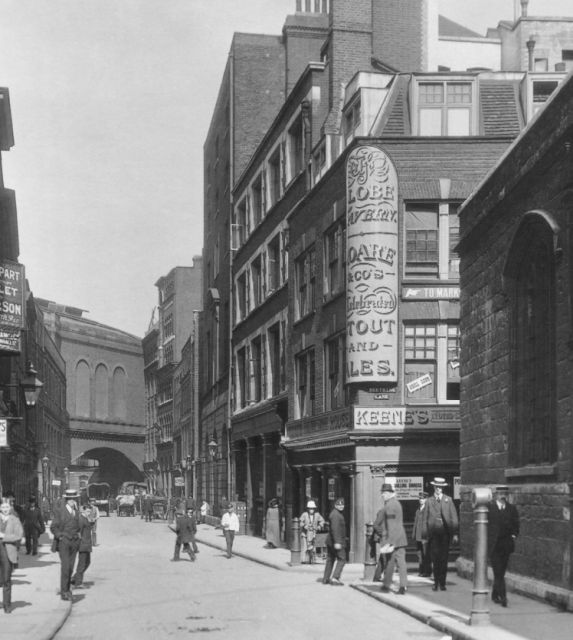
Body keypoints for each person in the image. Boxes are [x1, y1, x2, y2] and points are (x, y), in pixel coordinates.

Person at [423, 477, 459, 591]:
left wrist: (455, 534)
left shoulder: (448, 500)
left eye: (441, 487)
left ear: (443, 488)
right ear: (434, 487)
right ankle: (435, 583)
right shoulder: (429, 501)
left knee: (443, 559)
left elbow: (454, 518)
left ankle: (442, 583)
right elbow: (425, 519)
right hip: (433, 535)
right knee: (434, 559)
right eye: (437, 487)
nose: (438, 489)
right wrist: (424, 535)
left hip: (445, 534)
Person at [488, 485, 519, 607]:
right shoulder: (490, 508)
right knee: (498, 572)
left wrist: (513, 535)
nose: (502, 495)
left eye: (504, 493)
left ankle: (495, 594)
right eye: (500, 493)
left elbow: (516, 524)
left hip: (506, 545)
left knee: (501, 572)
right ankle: (503, 597)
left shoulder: (512, 509)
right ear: (496, 494)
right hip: (494, 546)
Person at [375, 483, 408, 595]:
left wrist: (390, 543)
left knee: (397, 563)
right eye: (382, 493)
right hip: (400, 538)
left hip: (395, 539)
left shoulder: (390, 506)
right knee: (393, 563)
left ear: (389, 493)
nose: (382, 495)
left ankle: (401, 587)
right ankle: (389, 585)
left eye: (384, 493)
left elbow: (392, 525)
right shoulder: (395, 503)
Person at [50, 489, 82, 601]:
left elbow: (79, 527)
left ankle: (68, 590)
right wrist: (60, 536)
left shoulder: (77, 512)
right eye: (70, 498)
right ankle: (64, 592)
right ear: (67, 500)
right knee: (66, 567)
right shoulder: (60, 511)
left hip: (74, 542)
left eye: (74, 498)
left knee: (71, 567)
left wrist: (79, 537)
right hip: (64, 542)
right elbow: (53, 527)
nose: (72, 500)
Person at [0, 497, 23, 613]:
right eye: (3, 507)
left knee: (6, 579)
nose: (5, 509)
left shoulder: (15, 519)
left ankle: (7, 604)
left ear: (10, 508)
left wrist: (4, 537)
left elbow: (19, 535)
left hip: (7, 551)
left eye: (7, 507)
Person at [322, 497, 346, 586]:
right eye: (339, 505)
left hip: (331, 541)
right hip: (336, 542)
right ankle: (335, 578)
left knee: (330, 559)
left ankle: (326, 578)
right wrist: (337, 542)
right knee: (342, 559)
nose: (341, 506)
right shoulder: (336, 515)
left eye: (342, 504)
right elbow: (335, 529)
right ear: (335, 505)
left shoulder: (335, 513)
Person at [71, 504, 94, 588]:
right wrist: (79, 542)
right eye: (88, 511)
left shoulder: (85, 518)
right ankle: (78, 583)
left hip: (87, 545)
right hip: (83, 545)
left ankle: (74, 578)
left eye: (90, 512)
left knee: (87, 562)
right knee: (82, 564)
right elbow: (78, 532)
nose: (89, 513)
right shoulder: (81, 519)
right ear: (83, 510)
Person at [412, 492, 431, 577]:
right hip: (418, 536)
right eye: (420, 498)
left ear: (426, 499)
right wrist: (414, 534)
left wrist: (427, 536)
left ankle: (427, 572)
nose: (421, 500)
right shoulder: (417, 510)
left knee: (426, 555)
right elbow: (416, 524)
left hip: (424, 536)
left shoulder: (427, 510)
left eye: (422, 498)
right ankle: (421, 571)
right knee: (420, 554)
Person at [300, 500, 325, 564]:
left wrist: (319, 526)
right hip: (305, 533)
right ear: (308, 509)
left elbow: (322, 521)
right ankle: (304, 560)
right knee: (305, 547)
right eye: (310, 508)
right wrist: (304, 526)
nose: (311, 510)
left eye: (313, 508)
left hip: (313, 533)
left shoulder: (317, 515)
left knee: (313, 547)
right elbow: (300, 522)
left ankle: (312, 559)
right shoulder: (304, 514)